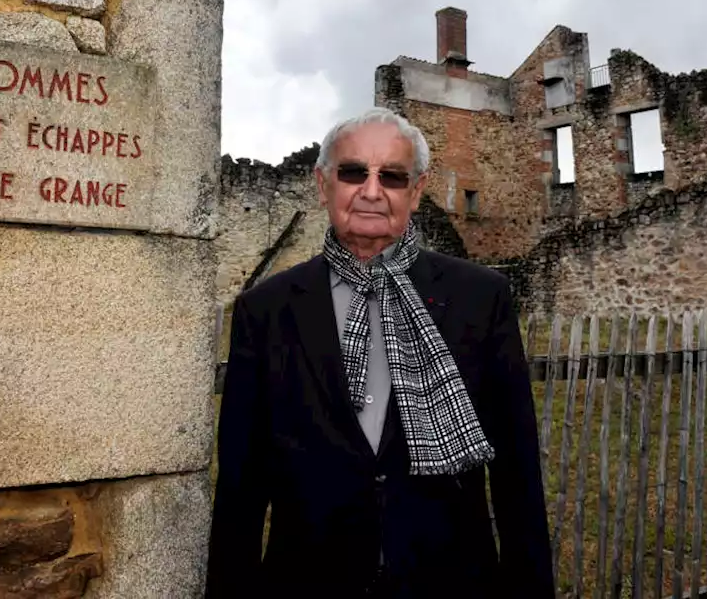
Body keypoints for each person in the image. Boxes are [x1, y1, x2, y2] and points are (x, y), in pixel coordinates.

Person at [206, 108, 555, 598]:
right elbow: (241, 488)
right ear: (323, 183)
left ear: (415, 191)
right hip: (308, 580)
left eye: (392, 176)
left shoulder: (480, 297)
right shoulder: (265, 310)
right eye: (353, 172)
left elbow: (517, 474)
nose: (372, 191)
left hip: (449, 579)